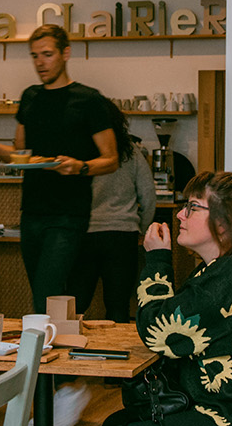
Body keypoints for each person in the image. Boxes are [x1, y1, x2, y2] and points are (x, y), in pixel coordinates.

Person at [103, 171, 232, 426]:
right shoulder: (224, 269)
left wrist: (158, 259)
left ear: (225, 222)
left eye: (192, 207)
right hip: (220, 404)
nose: (180, 214)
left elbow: (156, 331)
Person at [0, 24, 119, 313]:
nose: (40, 62)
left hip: (68, 215)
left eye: (47, 54)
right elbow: (20, 155)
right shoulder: (30, 97)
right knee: (49, 296)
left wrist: (80, 167)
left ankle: (39, 355)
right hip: (32, 213)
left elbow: (111, 159)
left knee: (44, 295)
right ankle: (61, 347)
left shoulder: (89, 100)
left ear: (65, 53)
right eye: (34, 56)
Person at [69, 101, 156, 323]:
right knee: (118, 307)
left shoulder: (78, 151)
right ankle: (118, 354)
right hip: (122, 234)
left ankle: (66, 350)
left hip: (84, 235)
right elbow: (148, 195)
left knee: (75, 304)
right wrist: (141, 230)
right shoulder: (131, 151)